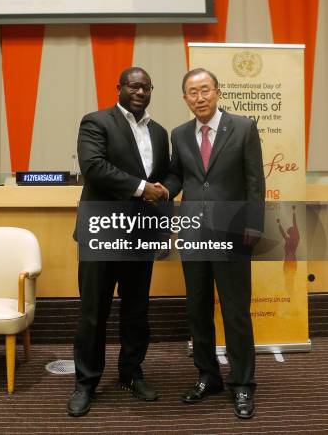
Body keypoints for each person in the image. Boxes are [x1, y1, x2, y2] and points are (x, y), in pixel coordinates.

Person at [68, 67, 170, 417]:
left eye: (147, 86)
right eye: (134, 85)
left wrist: (167, 187)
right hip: (102, 230)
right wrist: (144, 188)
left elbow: (166, 172)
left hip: (141, 232)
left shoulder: (159, 132)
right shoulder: (96, 121)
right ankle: (86, 382)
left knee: (136, 311)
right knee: (93, 312)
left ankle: (130, 373)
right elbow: (93, 166)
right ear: (120, 88)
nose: (141, 91)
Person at [164, 68, 265, 420]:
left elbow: (255, 179)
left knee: (236, 312)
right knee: (198, 309)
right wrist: (163, 189)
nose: (200, 97)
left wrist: (254, 224)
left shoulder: (243, 128)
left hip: (233, 234)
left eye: (205, 90)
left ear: (218, 92)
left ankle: (242, 385)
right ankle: (209, 377)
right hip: (193, 234)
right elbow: (178, 175)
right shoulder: (178, 134)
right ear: (185, 98)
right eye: (192, 92)